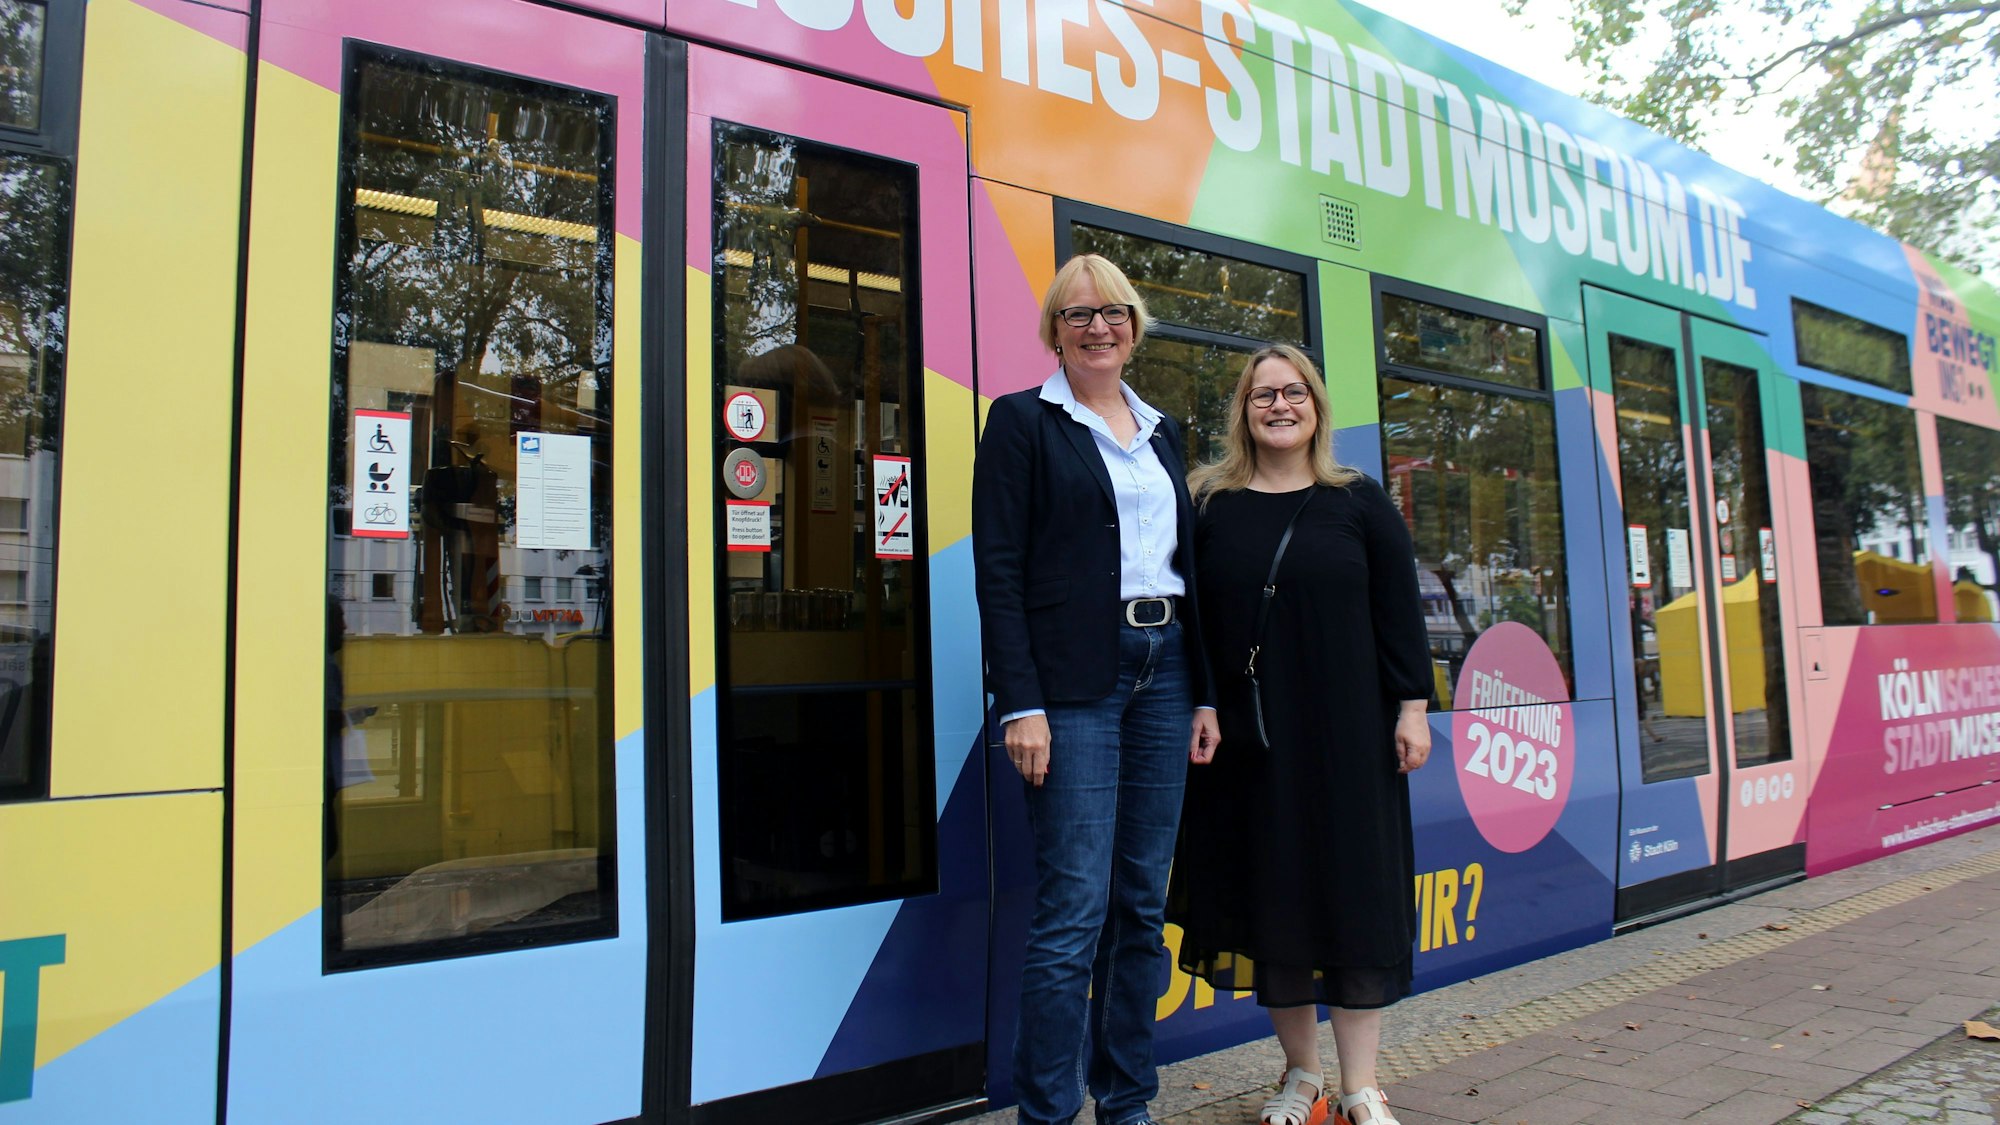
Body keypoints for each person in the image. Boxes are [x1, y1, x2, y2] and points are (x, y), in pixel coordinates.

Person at [972, 253, 1221, 1125]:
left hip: (1168, 669)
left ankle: (1126, 1101)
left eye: (1112, 311)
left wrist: (1206, 693)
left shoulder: (1163, 430)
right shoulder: (1022, 421)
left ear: (1134, 326)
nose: (1097, 326)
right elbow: (999, 569)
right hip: (1073, 681)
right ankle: (1048, 1112)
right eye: (1077, 314)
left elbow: (1192, 569)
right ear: (1055, 330)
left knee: (1141, 906)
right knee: (1073, 908)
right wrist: (1021, 702)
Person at [1168, 344, 1433, 1125]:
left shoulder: (1359, 500)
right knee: (1274, 900)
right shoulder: (1209, 503)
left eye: (1293, 392)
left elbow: (1400, 611)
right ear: (1243, 410)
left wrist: (1412, 706)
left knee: (1354, 897)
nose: (1278, 405)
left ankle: (1360, 1085)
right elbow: (1191, 622)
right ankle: (1302, 1075)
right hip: (1252, 740)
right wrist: (1201, 704)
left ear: (1316, 405)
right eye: (1262, 395)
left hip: (1352, 736)